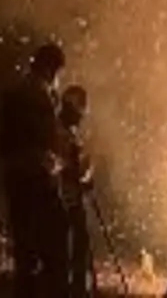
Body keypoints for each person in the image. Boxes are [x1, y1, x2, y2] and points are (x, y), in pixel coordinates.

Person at [0, 42, 69, 298]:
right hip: (37, 177)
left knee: (24, 250)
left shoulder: (15, 92)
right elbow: (50, 140)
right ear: (50, 68)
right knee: (52, 244)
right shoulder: (39, 96)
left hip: (16, 176)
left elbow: (3, 142)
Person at [58, 85, 95, 298]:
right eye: (79, 112)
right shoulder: (58, 132)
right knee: (65, 251)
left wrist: (85, 173)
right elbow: (63, 169)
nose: (81, 118)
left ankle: (79, 289)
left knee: (80, 246)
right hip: (62, 201)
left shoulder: (69, 133)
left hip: (72, 200)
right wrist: (82, 178)